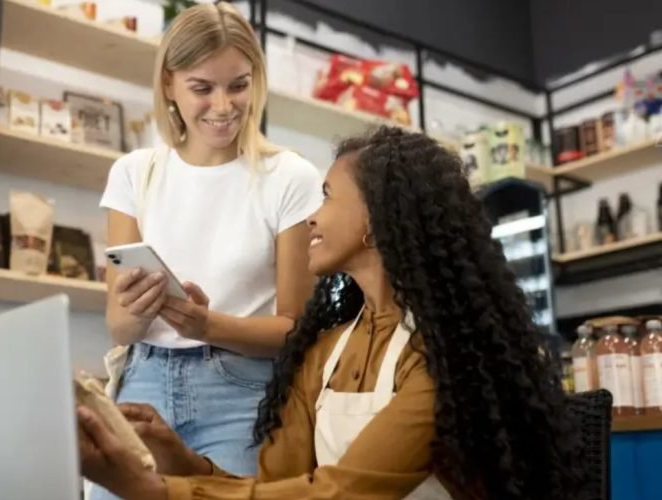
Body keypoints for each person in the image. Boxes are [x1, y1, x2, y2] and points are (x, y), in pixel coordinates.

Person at [79, 126, 581, 500]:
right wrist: (173, 454)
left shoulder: (441, 359)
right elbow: (276, 487)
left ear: (375, 219)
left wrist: (150, 488)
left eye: (326, 196)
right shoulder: (326, 350)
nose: (312, 216)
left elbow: (338, 493)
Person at [92, 3, 322, 498]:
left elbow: (295, 329)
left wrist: (207, 325)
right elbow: (119, 326)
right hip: (143, 380)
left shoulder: (290, 178)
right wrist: (137, 309)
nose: (223, 106)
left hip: (242, 394)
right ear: (170, 85)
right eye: (203, 88)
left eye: (238, 85)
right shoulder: (135, 174)